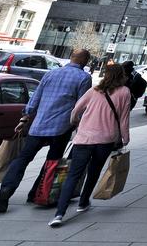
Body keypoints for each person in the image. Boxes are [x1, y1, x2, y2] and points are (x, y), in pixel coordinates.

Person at [0, 48, 93, 213]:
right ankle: (37, 193)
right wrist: (79, 125)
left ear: (71, 58)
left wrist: (24, 119)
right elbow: (80, 107)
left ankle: (6, 191)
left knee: (23, 158)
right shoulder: (84, 78)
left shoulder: (50, 74)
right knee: (52, 162)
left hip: (38, 125)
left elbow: (35, 98)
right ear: (85, 61)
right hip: (61, 127)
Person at [49, 64, 131, 227]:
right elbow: (123, 118)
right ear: (121, 75)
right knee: (94, 171)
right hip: (106, 140)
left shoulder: (94, 90)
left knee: (73, 175)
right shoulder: (124, 92)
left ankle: (59, 213)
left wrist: (76, 123)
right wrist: (125, 138)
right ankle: (83, 202)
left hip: (84, 139)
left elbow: (75, 110)